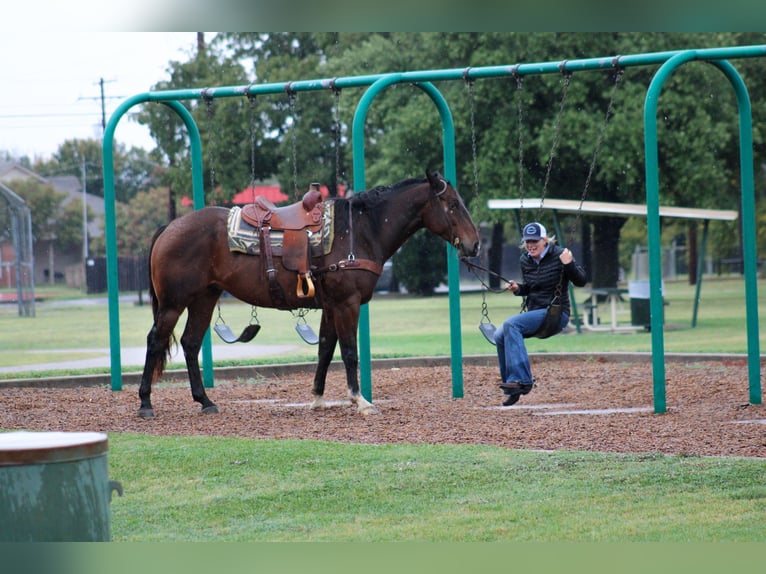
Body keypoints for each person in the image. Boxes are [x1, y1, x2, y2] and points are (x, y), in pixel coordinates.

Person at [493, 221, 587, 406]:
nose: (531, 245)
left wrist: (569, 265)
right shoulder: (525, 260)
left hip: (555, 313)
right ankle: (512, 386)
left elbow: (581, 281)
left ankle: (523, 380)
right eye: (528, 241)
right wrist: (518, 288)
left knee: (511, 324)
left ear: (545, 240)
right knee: (498, 335)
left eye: (535, 240)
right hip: (536, 312)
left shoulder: (560, 255)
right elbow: (531, 287)